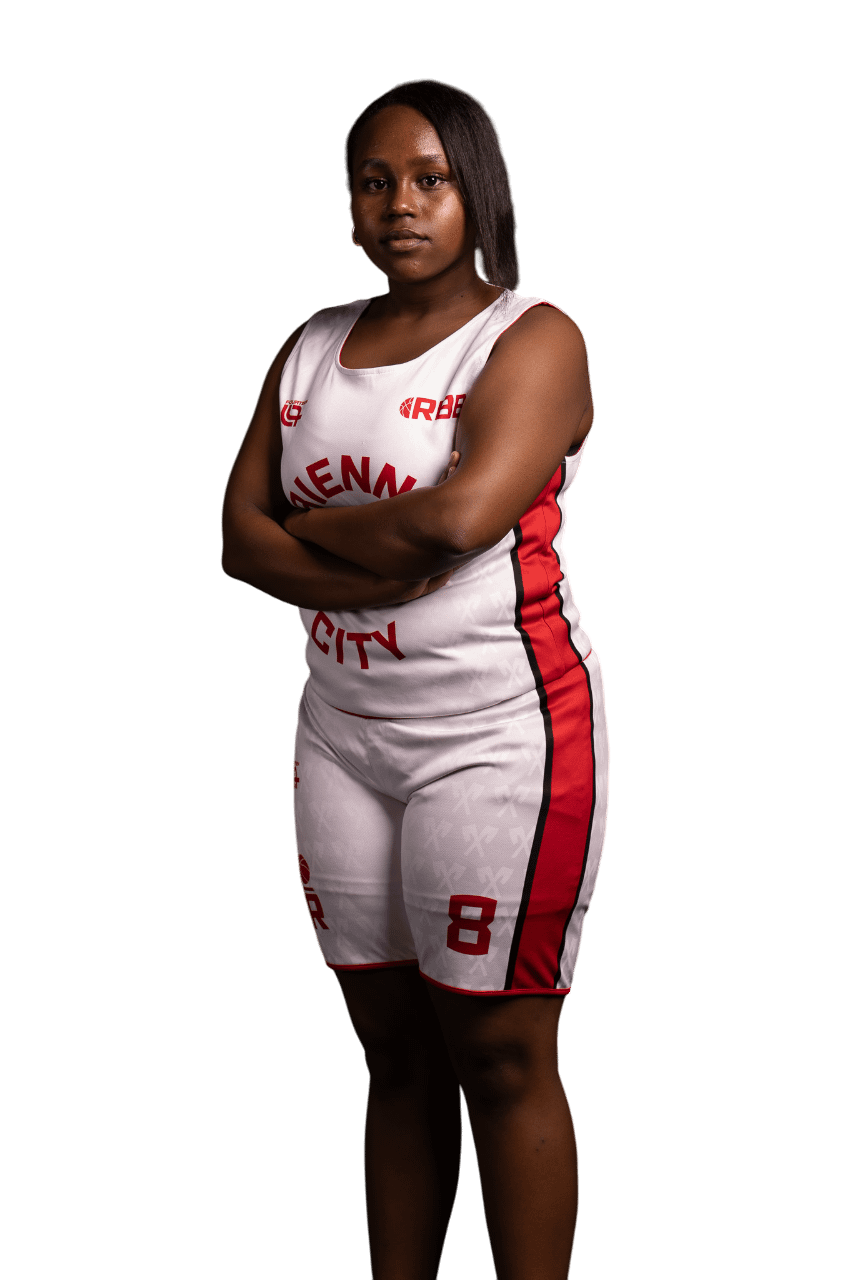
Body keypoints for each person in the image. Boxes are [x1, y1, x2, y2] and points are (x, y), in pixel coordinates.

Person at [221, 77, 609, 1280]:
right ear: (348, 210)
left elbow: (457, 519)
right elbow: (237, 539)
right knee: (389, 1054)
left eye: (430, 179)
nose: (401, 203)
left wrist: (309, 527)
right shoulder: (311, 343)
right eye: (376, 181)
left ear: (477, 193)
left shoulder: (532, 338)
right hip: (342, 733)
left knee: (496, 1053)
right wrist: (370, 555)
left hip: (498, 734)